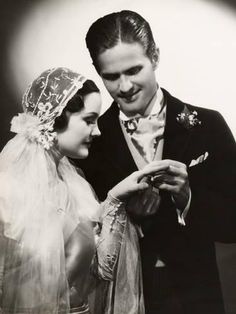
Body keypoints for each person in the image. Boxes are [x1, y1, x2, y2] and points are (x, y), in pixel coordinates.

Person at [77, 10, 236, 314]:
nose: (124, 87)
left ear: (156, 58)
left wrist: (186, 199)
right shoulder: (90, 140)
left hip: (197, 296)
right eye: (111, 77)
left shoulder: (208, 125)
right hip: (121, 298)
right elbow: (74, 235)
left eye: (134, 70)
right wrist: (119, 213)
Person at [0, 67, 161, 314]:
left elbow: (100, 270)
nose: (97, 131)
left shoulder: (73, 184)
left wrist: (115, 198)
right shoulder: (8, 189)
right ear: (56, 119)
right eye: (89, 120)